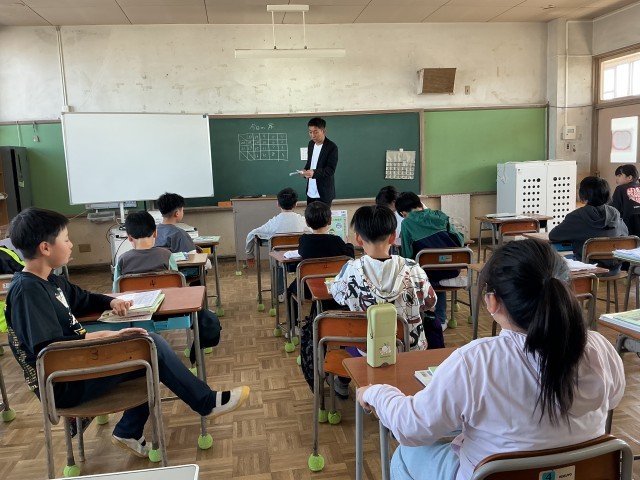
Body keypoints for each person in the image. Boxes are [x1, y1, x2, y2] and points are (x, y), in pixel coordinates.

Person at [356, 239, 625, 480]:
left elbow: (412, 428)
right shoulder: (599, 347)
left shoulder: (475, 361)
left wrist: (377, 393)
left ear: (492, 301)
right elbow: (612, 399)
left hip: (491, 474)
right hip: (583, 472)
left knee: (406, 453)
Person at [5, 208, 249, 458]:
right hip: (62, 383)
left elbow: (84, 299)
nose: (71, 244)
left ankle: (129, 431)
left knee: (146, 353)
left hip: (77, 366)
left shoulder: (50, 281)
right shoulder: (27, 292)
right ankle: (205, 403)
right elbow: (48, 349)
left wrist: (111, 301)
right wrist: (103, 337)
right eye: (66, 239)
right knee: (148, 344)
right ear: (46, 248)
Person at [113, 211, 221, 367]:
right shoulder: (166, 255)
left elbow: (116, 291)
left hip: (135, 314)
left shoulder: (122, 260)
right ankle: (195, 364)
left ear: (129, 237)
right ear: (155, 233)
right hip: (168, 310)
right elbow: (177, 287)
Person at [330, 205, 436, 352]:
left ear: (358, 238)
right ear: (393, 236)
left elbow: (338, 297)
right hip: (410, 349)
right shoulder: (412, 268)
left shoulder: (350, 270)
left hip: (368, 351)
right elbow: (430, 302)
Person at [292, 202, 355, 395]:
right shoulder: (336, 241)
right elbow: (349, 255)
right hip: (335, 292)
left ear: (307, 222)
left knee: (290, 290)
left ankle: (294, 325)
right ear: (330, 221)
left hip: (311, 289)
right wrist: (347, 244)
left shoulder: (304, 240)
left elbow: (301, 253)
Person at [395, 191, 464, 335]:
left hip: (427, 273)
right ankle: (441, 319)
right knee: (436, 270)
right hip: (453, 268)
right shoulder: (440, 215)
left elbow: (407, 255)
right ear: (420, 204)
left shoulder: (407, 223)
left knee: (417, 274)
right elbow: (460, 239)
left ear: (403, 213)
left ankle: (419, 317)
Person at [549, 176, 628, 273]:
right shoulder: (614, 213)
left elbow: (553, 235)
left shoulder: (576, 216)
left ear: (583, 195)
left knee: (557, 260)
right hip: (614, 269)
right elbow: (625, 234)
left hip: (587, 269)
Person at [245, 187, 310, 300]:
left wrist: (249, 254)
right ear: (296, 204)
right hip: (301, 260)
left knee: (278, 257)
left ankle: (280, 294)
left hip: (280, 262)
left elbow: (251, 234)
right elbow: (315, 232)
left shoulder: (273, 223)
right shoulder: (303, 221)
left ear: (278, 204)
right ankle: (302, 291)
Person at [300, 117, 339, 206]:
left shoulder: (332, 147)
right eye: (310, 132)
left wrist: (314, 173)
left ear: (323, 131)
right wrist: (305, 170)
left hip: (324, 193)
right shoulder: (311, 144)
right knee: (310, 215)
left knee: (323, 215)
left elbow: (330, 170)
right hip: (311, 192)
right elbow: (310, 163)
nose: (312, 135)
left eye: (315, 132)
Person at [611, 164, 640, 237]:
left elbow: (615, 210)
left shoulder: (620, 189)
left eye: (619, 175)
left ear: (629, 177)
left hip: (627, 227)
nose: (617, 178)